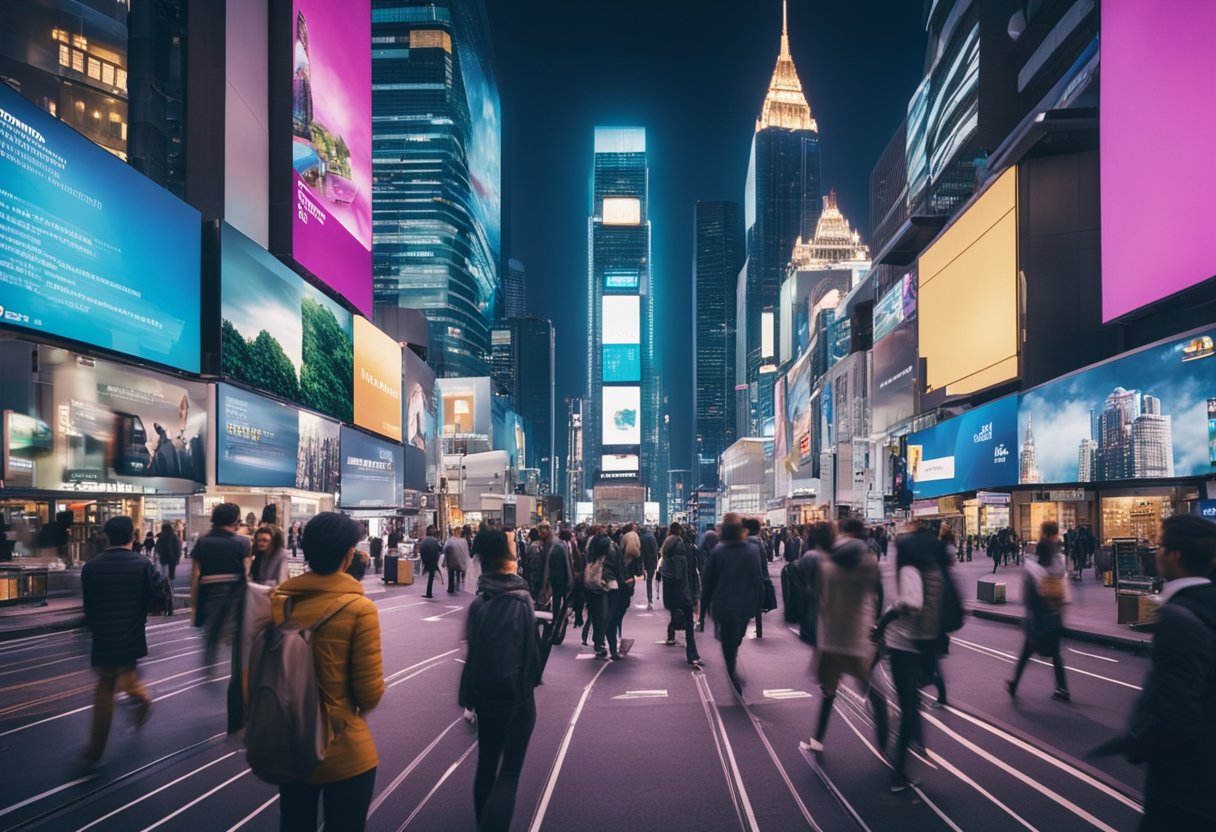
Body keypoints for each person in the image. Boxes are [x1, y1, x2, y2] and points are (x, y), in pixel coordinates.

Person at [1092, 515, 1216, 830]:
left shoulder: (1178, 618)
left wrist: (1136, 743)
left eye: (1161, 546)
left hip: (1184, 788)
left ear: (1174, 556)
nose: (1157, 552)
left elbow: (1177, 711)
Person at [272, 512, 384, 832]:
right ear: (348, 554)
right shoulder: (359, 609)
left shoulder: (279, 603)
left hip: (292, 748)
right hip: (345, 751)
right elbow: (369, 693)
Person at [459, 529, 540, 832]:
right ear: (506, 556)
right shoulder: (522, 599)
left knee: (486, 765)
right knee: (509, 773)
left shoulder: (479, 603)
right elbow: (531, 657)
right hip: (518, 698)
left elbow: (472, 654)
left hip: (485, 697)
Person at [800, 517, 886, 755]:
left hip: (831, 639)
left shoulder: (827, 565)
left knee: (829, 692)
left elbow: (822, 605)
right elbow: (878, 596)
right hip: (857, 635)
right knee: (873, 690)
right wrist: (875, 625)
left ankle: (817, 740)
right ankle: (886, 748)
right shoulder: (869, 562)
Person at [79, 516, 158, 768]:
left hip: (103, 635)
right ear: (132, 537)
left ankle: (95, 752)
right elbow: (158, 598)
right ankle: (144, 702)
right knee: (124, 675)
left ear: (106, 536)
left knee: (106, 686)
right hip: (132, 633)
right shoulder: (143, 563)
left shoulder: (91, 566)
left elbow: (89, 605)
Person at [875, 519, 944, 792]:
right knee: (908, 704)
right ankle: (898, 772)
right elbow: (913, 603)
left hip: (902, 644)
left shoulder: (905, 570)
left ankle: (914, 745)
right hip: (907, 646)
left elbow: (906, 603)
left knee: (910, 701)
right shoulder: (912, 571)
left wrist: (883, 621)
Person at [190, 502, 251, 732]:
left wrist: (194, 607)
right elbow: (247, 573)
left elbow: (196, 574)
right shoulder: (242, 543)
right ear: (235, 519)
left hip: (209, 593)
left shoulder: (203, 542)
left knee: (211, 633)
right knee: (236, 636)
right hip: (235, 594)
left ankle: (208, 667)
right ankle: (235, 670)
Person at [1006, 521, 1071, 702]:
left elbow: (1028, 593)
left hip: (1038, 615)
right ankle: (1063, 688)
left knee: (1026, 652)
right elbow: (1064, 592)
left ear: (1042, 532)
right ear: (1056, 534)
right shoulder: (1059, 560)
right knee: (1056, 653)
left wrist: (1028, 610)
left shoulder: (1034, 563)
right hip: (1054, 613)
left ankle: (1014, 684)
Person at [702, 513, 764, 694]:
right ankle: (732, 665)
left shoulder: (717, 552)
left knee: (727, 641)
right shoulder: (752, 551)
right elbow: (757, 579)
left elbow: (708, 582)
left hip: (722, 605)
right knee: (736, 638)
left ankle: (731, 668)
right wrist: (757, 603)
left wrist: (704, 609)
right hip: (744, 605)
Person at [659, 522, 701, 667]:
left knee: (678, 616)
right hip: (683, 592)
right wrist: (693, 596)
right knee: (689, 623)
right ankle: (692, 654)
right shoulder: (683, 548)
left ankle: (673, 636)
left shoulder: (666, 548)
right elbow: (685, 575)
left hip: (672, 593)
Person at [584, 526, 620, 660]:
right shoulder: (610, 548)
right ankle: (607, 643)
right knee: (608, 616)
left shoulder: (591, 546)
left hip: (591, 584)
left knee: (596, 615)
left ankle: (598, 643)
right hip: (606, 584)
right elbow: (617, 566)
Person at [741, 517, 769, 638]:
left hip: (744, 579)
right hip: (758, 578)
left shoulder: (744, 542)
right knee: (757, 607)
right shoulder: (759, 542)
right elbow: (764, 562)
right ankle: (758, 630)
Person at [444, 526, 471, 594]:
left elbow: (445, 548)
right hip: (457, 561)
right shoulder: (463, 541)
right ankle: (455, 586)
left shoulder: (451, 540)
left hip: (452, 561)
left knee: (452, 574)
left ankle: (452, 587)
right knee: (457, 573)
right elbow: (466, 551)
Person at [418, 526, 443, 598]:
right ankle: (429, 592)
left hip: (426, 560)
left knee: (430, 576)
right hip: (433, 560)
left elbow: (421, 550)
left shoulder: (424, 541)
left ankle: (428, 592)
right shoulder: (435, 541)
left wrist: (424, 560)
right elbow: (441, 549)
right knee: (432, 576)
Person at [640, 525, 659, 610]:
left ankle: (649, 599)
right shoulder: (652, 537)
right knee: (650, 580)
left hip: (645, 560)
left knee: (648, 580)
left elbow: (641, 550)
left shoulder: (642, 537)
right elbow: (655, 550)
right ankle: (650, 599)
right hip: (652, 561)